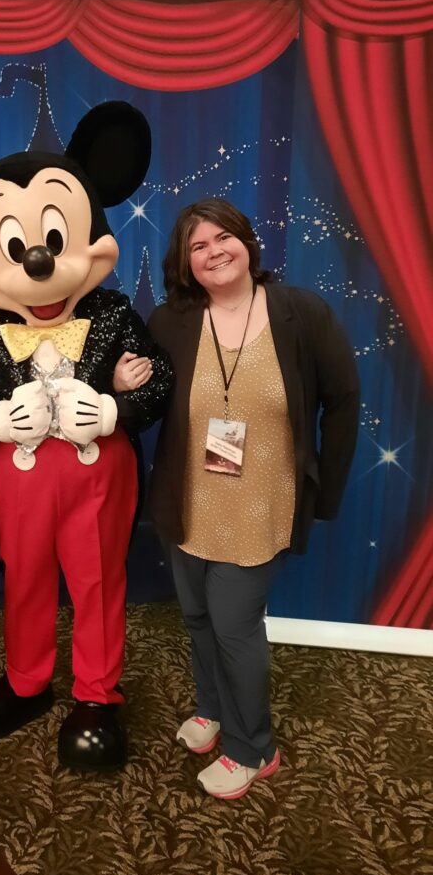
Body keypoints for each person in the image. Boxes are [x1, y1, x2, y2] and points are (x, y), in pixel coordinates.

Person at [148, 198, 359, 800]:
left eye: (223, 238)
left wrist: (327, 492)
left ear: (247, 241)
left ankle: (253, 747)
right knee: (195, 617)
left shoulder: (301, 313)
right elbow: (148, 396)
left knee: (236, 626)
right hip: (188, 501)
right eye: (198, 246)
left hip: (263, 506)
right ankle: (214, 712)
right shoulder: (171, 321)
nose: (214, 252)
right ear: (186, 264)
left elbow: (343, 399)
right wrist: (122, 382)